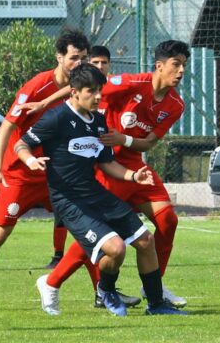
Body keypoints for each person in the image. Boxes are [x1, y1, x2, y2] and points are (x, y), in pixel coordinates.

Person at [0, 29, 128, 311]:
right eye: (74, 58)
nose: (80, 64)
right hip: (21, 174)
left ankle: (101, 293)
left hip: (59, 176)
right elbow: (7, 128)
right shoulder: (35, 86)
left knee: (89, 232)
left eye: (84, 58)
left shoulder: (82, 88)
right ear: (59, 57)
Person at [23, 40, 190, 308]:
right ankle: (53, 281)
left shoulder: (175, 105)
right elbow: (82, 87)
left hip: (133, 164)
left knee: (168, 220)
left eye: (184, 65)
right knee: (102, 236)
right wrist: (44, 102)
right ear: (159, 66)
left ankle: (154, 288)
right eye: (176, 64)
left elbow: (148, 143)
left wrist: (123, 139)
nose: (181, 70)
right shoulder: (131, 83)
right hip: (107, 166)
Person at [43, 44, 114, 271]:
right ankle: (56, 262)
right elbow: (19, 138)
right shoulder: (61, 112)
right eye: (94, 62)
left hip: (100, 170)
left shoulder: (112, 89)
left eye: (104, 62)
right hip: (64, 181)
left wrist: (132, 168)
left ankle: (101, 292)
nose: (99, 66)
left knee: (105, 238)